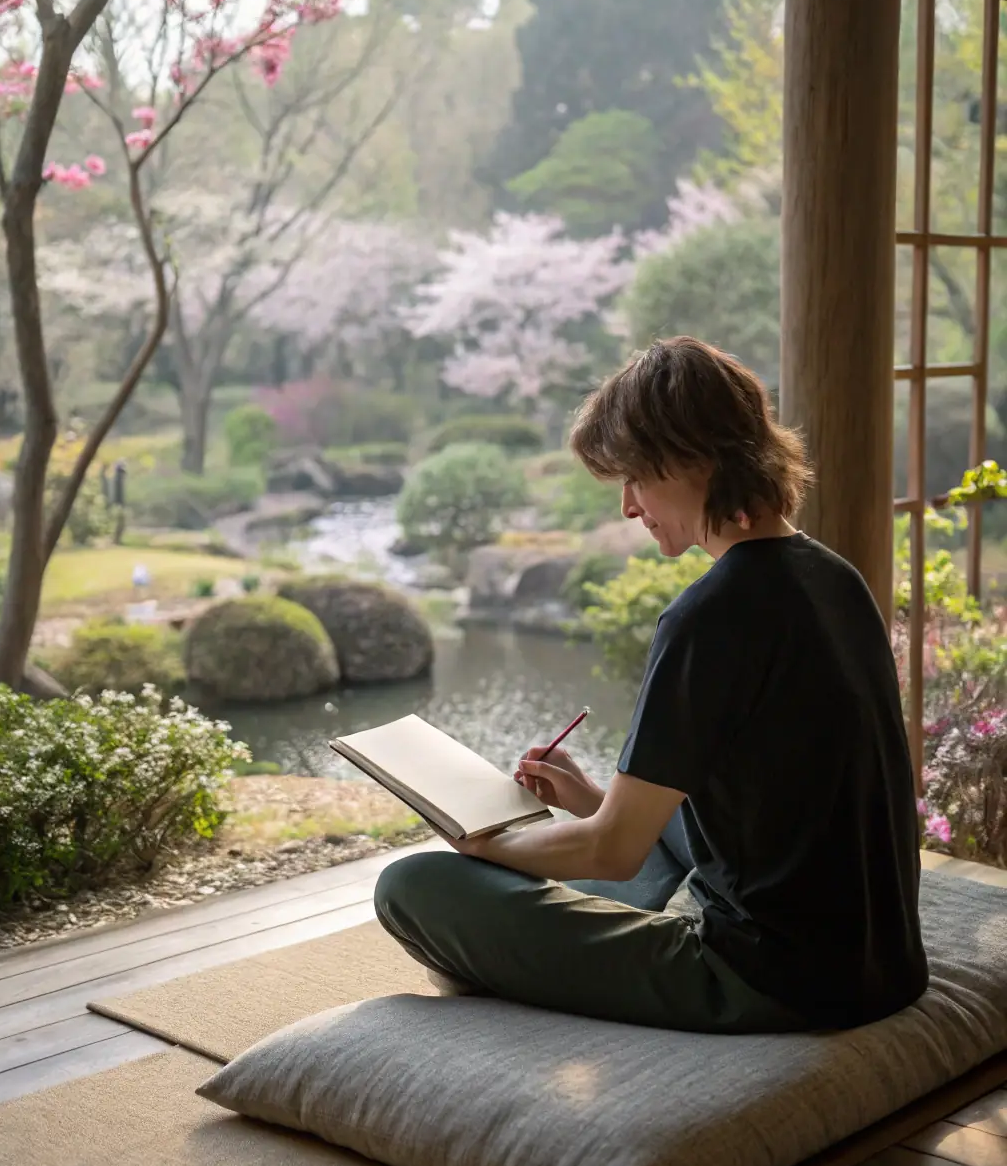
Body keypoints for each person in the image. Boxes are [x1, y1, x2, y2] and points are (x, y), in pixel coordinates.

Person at [374, 337, 929, 1033]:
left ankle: (514, 957)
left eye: (635, 477)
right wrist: (592, 802)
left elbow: (613, 853)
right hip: (887, 964)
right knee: (650, 819)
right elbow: (775, 798)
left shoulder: (707, 616)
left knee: (413, 886)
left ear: (694, 458)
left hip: (773, 979)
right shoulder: (835, 576)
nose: (628, 506)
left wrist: (484, 843)